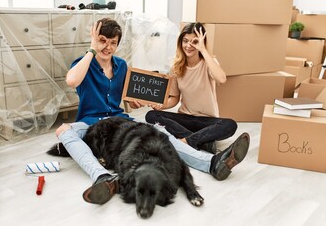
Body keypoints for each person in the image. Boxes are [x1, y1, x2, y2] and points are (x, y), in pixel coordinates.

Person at [54, 18, 250, 205]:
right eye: (102, 41)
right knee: (64, 131)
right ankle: (103, 177)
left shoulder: (121, 65)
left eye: (112, 43)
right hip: (91, 123)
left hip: (119, 122)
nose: (107, 47)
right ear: (95, 40)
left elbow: (125, 97)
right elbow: (72, 81)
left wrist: (135, 101)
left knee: (159, 131)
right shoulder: (84, 62)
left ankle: (211, 163)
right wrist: (91, 49)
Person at [145, 22, 247, 156]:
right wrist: (161, 106)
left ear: (202, 42)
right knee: (151, 115)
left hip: (207, 121)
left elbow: (221, 79)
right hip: (185, 119)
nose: (188, 45)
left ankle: (187, 141)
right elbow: (175, 98)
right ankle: (201, 141)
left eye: (194, 41)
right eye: (185, 41)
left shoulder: (209, 63)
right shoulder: (176, 67)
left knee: (230, 124)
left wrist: (203, 50)